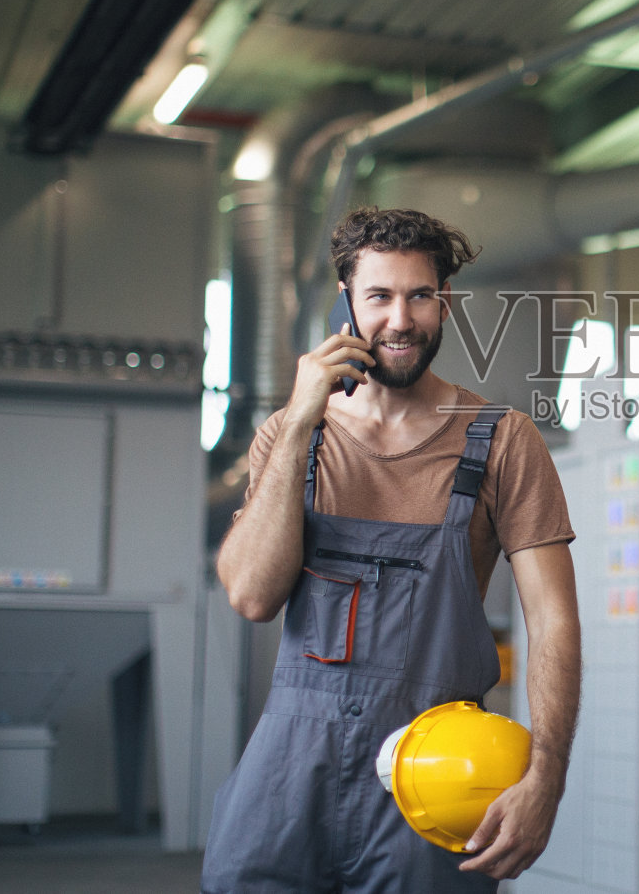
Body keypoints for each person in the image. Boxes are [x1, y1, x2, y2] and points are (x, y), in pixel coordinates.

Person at [202, 207, 581, 893]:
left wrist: (546, 777)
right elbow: (252, 595)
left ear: (444, 303)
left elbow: (553, 619)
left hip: (435, 774)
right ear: (346, 301)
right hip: (293, 767)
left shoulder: (502, 439)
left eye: (420, 295)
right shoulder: (292, 435)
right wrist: (299, 424)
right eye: (379, 296)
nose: (400, 320)